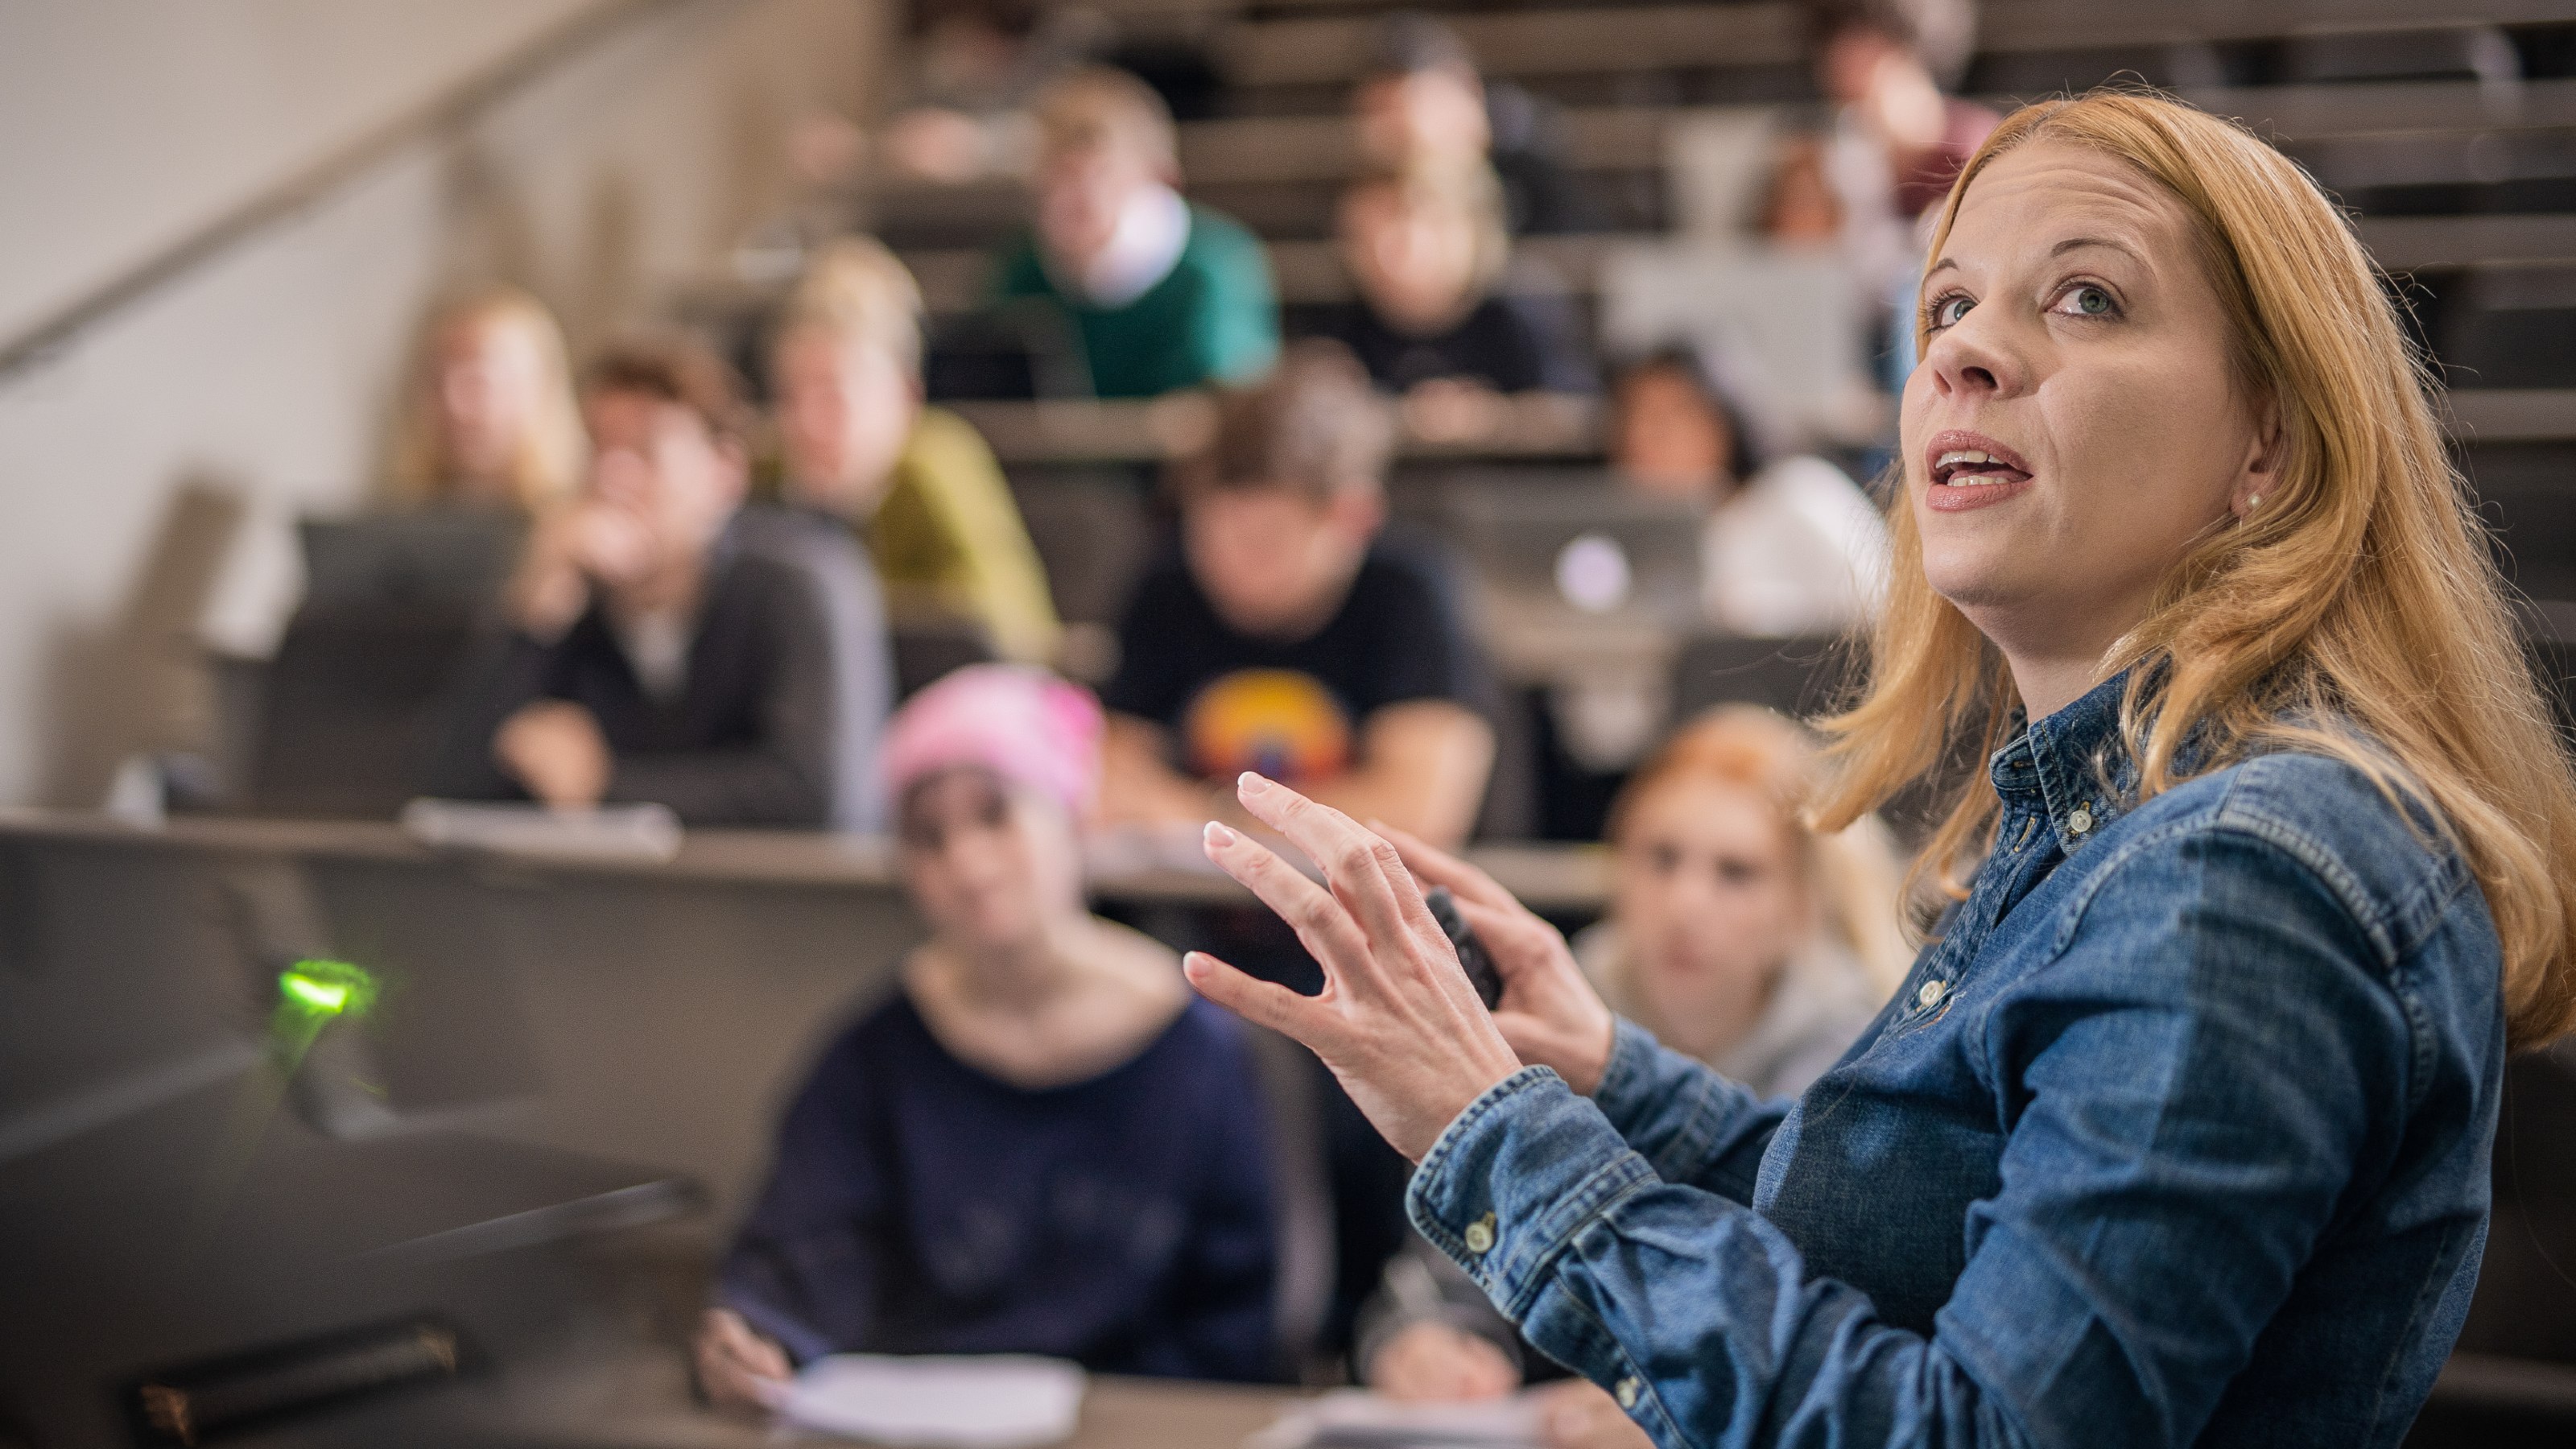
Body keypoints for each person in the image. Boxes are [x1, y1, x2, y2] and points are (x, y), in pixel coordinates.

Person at [1178, 89, 2576, 1448]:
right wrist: (1610, 1077)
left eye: (2086, 297)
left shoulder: (2241, 876)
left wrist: (1494, 1131)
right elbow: (1932, 1235)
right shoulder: (2122, 820)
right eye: (1946, 308)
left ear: (2269, 439)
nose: (1965, 353)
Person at [696, 666, 1279, 1401]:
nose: (966, 864)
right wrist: (754, 1336)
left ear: (1071, 821)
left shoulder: (1200, 1050)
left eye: (995, 816)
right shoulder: (872, 1055)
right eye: (928, 837)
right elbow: (798, 1255)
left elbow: (1237, 1316)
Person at [1357, 705, 1912, 1439]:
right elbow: (1445, 1252)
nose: (1687, 903)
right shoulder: (1546, 1003)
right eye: (1661, 858)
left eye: (1736, 873)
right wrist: (1426, 1338)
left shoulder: (1861, 1054)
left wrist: (1668, 1404)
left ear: (1798, 906)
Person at [427, 337, 891, 829]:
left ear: (725, 472)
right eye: (596, 448)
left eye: (645, 451)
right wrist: (534, 614)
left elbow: (815, 797)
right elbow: (450, 789)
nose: (612, 476)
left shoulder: (800, 583)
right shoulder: (573, 600)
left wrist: (605, 786)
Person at [1096, 341, 1496, 851]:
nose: (1231, 565)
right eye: (1208, 535)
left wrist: (1208, 817)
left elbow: (1420, 811)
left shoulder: (1407, 594)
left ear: (1352, 519)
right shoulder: (1166, 587)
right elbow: (1111, 782)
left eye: (1267, 542)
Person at [774, 237, 1063, 666]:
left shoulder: (937, 464)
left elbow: (1013, 633)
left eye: (835, 396)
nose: (808, 421)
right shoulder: (761, 478)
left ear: (905, 394)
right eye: (789, 394)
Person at [988, 67, 1278, 399]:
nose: (1078, 194)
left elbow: (1238, 402)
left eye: (1102, 173)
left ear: (1159, 176)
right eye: (1058, 175)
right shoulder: (1019, 271)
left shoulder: (1213, 266)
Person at [1608, 346, 1888, 637]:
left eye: (1664, 419)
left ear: (1722, 417)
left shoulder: (1798, 493)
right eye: (1631, 419)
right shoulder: (1640, 546)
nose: (1642, 439)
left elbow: (1888, 604)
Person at [1313, 162, 1596, 417]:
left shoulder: (1523, 308)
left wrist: (1494, 416)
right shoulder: (1336, 324)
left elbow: (1574, 413)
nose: (1387, 244)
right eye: (1369, 225)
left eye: (1416, 219)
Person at [1352, 12, 1590, 237]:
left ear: (1464, 87)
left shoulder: (1532, 154)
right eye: (1376, 113)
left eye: (1397, 110)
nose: (1386, 132)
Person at [385, 284, 585, 513]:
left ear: (541, 389)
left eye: (476, 383)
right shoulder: (395, 527)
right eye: (437, 383)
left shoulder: (583, 532)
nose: (452, 404)